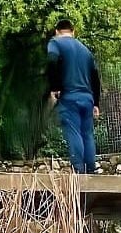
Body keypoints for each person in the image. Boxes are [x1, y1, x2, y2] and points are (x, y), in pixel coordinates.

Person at [47, 19, 101, 175]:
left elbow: (52, 61)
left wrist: (55, 87)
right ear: (73, 31)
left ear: (57, 31)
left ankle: (78, 171)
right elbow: (95, 77)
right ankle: (91, 169)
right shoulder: (85, 50)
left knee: (74, 132)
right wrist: (96, 103)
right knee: (87, 134)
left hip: (70, 97)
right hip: (87, 98)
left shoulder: (55, 43)